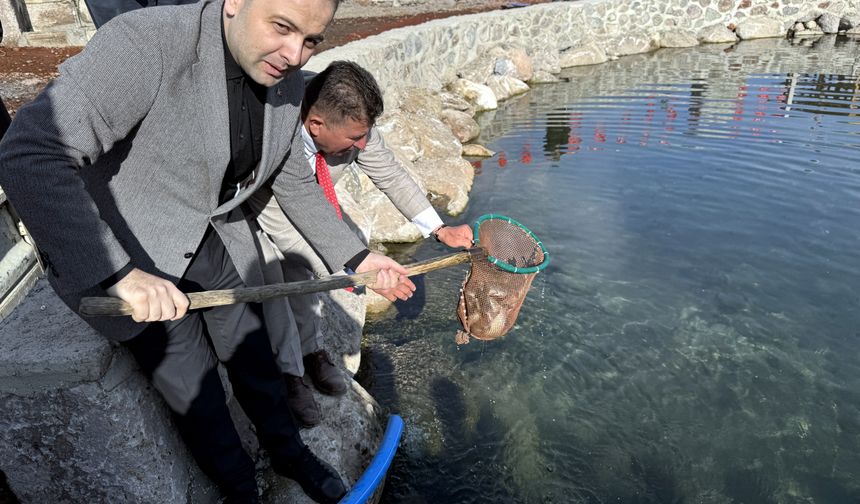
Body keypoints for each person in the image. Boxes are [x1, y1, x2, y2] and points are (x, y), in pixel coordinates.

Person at [0, 0, 416, 503]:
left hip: (203, 234)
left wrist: (360, 259)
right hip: (125, 251)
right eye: (282, 28)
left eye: (311, 41)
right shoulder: (145, 43)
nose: (294, 55)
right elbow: (29, 151)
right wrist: (120, 273)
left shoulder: (285, 79)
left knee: (254, 356)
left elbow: (292, 179)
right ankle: (241, 489)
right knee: (195, 392)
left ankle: (289, 452)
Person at [246, 61, 474, 426]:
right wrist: (355, 272)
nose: (363, 145)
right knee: (276, 280)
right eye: (355, 140)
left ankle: (311, 351)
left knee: (305, 288)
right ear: (315, 126)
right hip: (254, 206)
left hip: (310, 203)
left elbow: (389, 172)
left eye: (366, 134)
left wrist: (438, 228)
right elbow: (290, 229)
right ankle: (289, 374)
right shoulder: (276, 127)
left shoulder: (350, 119)